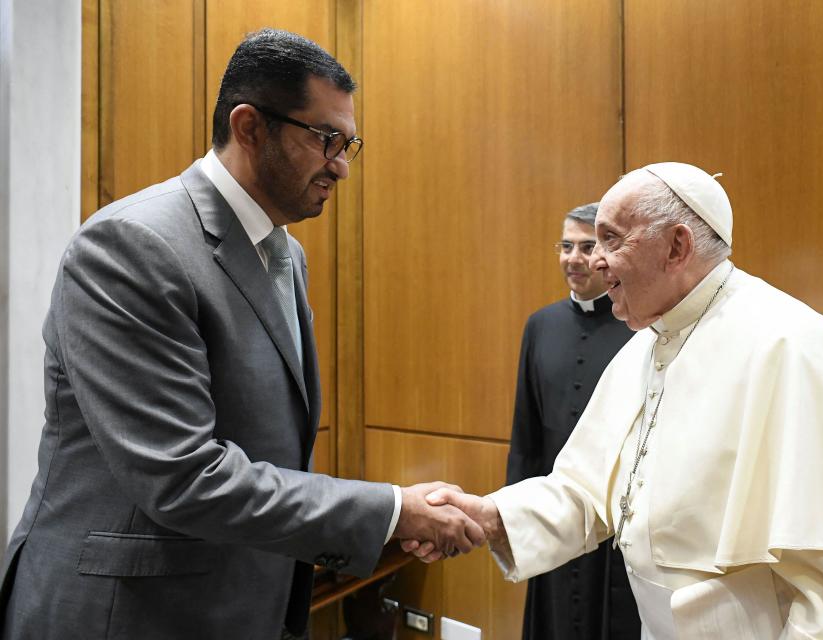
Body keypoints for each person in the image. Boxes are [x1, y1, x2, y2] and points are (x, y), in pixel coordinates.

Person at [0, 28, 483, 640]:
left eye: (348, 143)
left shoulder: (286, 254)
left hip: (235, 602)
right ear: (251, 126)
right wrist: (388, 512)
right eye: (325, 139)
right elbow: (182, 475)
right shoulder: (132, 246)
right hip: (127, 614)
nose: (341, 165)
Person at [414, 162, 823, 639]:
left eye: (610, 239)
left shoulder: (790, 346)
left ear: (677, 246)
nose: (594, 261)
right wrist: (492, 517)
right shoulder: (646, 346)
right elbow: (588, 491)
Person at [506, 202, 638, 640]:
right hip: (553, 514)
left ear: (607, 255)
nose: (573, 259)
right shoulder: (539, 326)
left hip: (612, 528)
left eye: (586, 247)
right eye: (565, 247)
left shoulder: (639, 329)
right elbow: (525, 435)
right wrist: (515, 515)